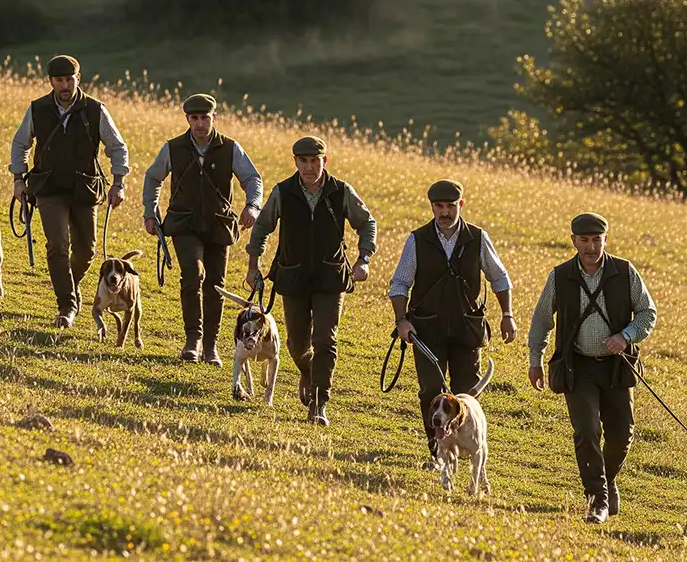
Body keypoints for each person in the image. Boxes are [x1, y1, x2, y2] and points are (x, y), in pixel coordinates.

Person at [527, 212, 657, 524]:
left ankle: (607, 480)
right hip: (577, 367)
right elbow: (542, 319)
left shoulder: (624, 271)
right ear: (573, 241)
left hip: (616, 367)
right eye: (584, 240)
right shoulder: (559, 275)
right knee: (587, 431)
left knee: (622, 435)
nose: (590, 246)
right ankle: (597, 501)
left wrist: (626, 336)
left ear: (605, 240)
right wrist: (535, 360)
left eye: (596, 240)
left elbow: (647, 313)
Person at [246, 136, 377, 426]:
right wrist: (254, 265)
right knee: (296, 344)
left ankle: (318, 404)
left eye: (314, 161)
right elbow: (262, 228)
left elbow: (367, 222)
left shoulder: (341, 192)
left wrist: (363, 259)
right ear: (295, 162)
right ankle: (309, 370)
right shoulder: (283, 192)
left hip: (331, 278)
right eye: (303, 161)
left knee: (325, 340)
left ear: (324, 161)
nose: (309, 167)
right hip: (292, 277)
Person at [387, 179, 516, 466]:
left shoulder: (478, 238)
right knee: (431, 392)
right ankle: (438, 455)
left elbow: (499, 277)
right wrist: (402, 320)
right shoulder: (417, 239)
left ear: (461, 205)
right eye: (439, 206)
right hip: (425, 330)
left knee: (466, 395)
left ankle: (464, 451)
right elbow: (399, 284)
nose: (444, 212)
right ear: (432, 206)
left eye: (450, 206)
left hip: (466, 330)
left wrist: (507, 314)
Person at [142, 93, 263, 365]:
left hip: (218, 225)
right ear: (187, 119)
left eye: (204, 118)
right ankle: (193, 340)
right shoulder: (172, 148)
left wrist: (253, 206)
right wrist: (151, 212)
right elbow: (153, 177)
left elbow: (252, 178)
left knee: (215, 285)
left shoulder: (231, 148)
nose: (199, 124)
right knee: (193, 274)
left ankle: (210, 346)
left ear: (214, 119)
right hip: (183, 224)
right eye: (194, 118)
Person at [9, 55, 129, 328]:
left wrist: (118, 182)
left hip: (85, 188)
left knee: (87, 251)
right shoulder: (37, 109)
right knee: (58, 246)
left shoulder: (95, 110)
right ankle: (67, 306)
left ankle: (68, 286)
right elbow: (20, 144)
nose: (64, 85)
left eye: (69, 79)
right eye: (59, 80)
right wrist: (18, 179)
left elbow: (118, 147)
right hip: (49, 188)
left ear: (78, 78)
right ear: (51, 81)